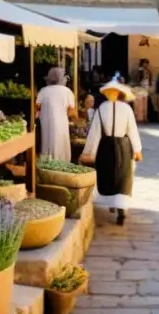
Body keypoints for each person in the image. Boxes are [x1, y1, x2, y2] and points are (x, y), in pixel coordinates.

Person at [80, 78, 142, 225]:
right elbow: (132, 131)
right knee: (122, 177)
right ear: (121, 95)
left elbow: (95, 132)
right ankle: (121, 210)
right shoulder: (127, 109)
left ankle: (112, 204)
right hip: (123, 147)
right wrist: (138, 150)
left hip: (105, 146)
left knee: (108, 175)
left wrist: (89, 151)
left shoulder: (101, 108)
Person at [36, 67, 76, 162]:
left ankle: (45, 166)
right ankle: (62, 166)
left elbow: (36, 107)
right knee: (61, 147)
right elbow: (72, 112)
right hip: (61, 124)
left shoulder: (43, 91)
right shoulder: (67, 92)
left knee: (46, 145)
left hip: (46, 124)